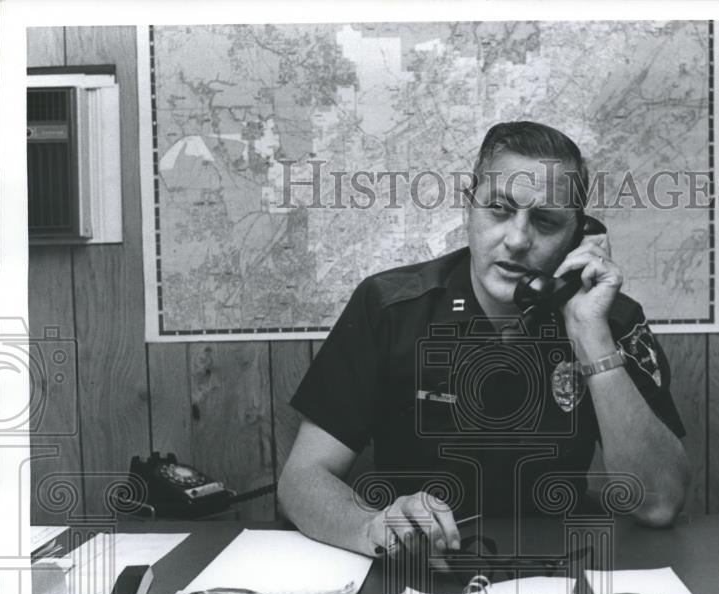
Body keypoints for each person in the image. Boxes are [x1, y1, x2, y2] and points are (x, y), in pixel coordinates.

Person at [279, 121, 690, 561]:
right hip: (415, 567)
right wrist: (373, 528)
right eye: (498, 209)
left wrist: (592, 340)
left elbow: (659, 503)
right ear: (467, 210)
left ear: (578, 237)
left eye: (547, 221)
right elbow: (302, 478)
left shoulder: (611, 319)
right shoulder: (391, 307)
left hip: (558, 567)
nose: (516, 239)